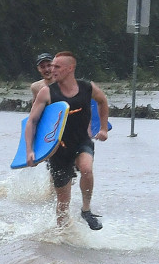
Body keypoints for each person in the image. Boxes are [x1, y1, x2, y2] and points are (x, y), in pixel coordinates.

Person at [25, 51, 109, 229]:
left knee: (86, 168)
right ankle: (61, 235)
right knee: (63, 201)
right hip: (58, 148)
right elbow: (32, 120)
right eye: (50, 66)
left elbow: (102, 101)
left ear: (70, 68)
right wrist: (30, 149)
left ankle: (86, 210)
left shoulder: (88, 87)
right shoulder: (45, 92)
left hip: (81, 141)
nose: (51, 70)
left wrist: (102, 128)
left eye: (56, 66)